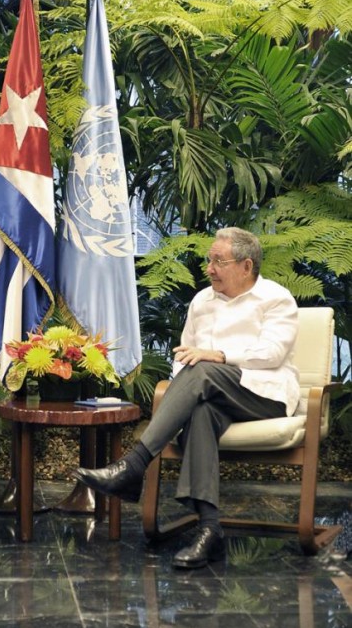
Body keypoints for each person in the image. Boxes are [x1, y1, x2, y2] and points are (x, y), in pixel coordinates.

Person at [74, 227, 300, 569]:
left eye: (218, 261)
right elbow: (184, 358)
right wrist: (197, 369)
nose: (209, 269)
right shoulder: (202, 301)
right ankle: (210, 530)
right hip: (212, 393)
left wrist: (218, 355)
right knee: (201, 412)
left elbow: (272, 353)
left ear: (246, 266)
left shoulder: (276, 298)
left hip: (264, 394)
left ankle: (134, 465)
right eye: (209, 260)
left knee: (204, 369)